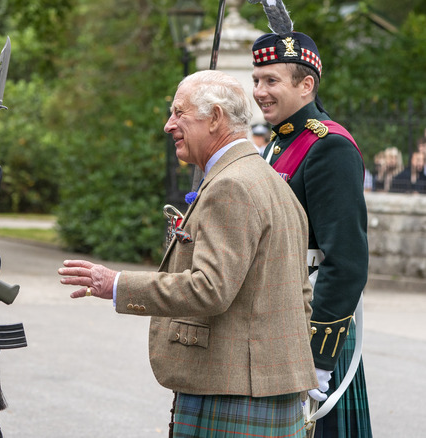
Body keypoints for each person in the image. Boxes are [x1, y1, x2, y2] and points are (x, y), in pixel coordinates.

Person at [58, 70, 317, 437]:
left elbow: (209, 289)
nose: (168, 125)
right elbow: (302, 295)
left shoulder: (231, 185)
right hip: (267, 387)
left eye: (179, 113)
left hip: (231, 392)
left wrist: (116, 284)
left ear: (215, 118)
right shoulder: (269, 180)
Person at [251, 22, 372, 437]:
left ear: (306, 86)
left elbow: (345, 261)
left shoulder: (328, 145)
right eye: (256, 80)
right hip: (280, 320)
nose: (260, 91)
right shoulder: (278, 142)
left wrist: (318, 360)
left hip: (312, 334)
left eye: (271, 80)